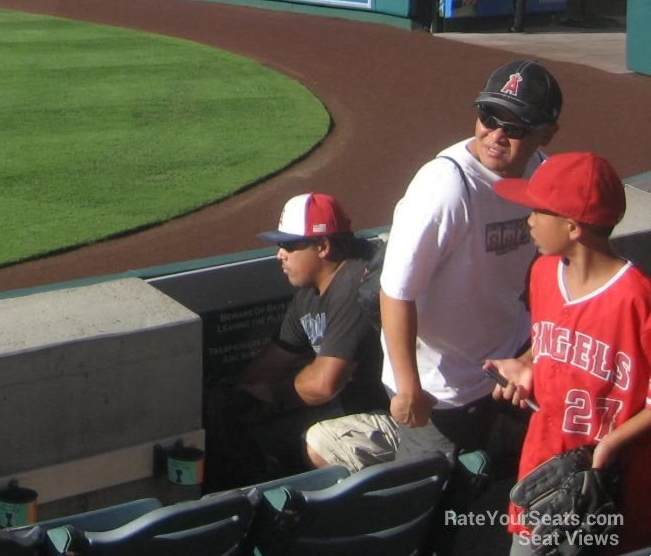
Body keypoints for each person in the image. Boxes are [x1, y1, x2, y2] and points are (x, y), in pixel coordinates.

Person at [306, 59, 563, 472]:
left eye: (515, 127)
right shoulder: (446, 187)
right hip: (439, 385)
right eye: (488, 116)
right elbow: (396, 289)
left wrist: (531, 354)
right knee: (441, 496)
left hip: (506, 364)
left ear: (546, 133)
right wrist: (408, 387)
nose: (496, 134)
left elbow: (554, 272)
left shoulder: (544, 176)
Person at [485, 151, 651, 551]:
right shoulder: (543, 273)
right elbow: (548, 347)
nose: (529, 220)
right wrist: (525, 368)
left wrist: (610, 445)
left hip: (608, 487)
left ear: (573, 226)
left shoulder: (637, 300)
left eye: (538, 212)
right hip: (542, 466)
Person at [205, 192, 385, 489]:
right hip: (351, 410)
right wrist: (243, 394)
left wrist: (272, 394)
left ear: (323, 246)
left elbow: (324, 384)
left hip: (392, 416)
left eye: (288, 245)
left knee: (318, 443)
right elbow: (271, 363)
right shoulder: (308, 295)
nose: (280, 255)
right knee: (251, 430)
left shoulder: (356, 284)